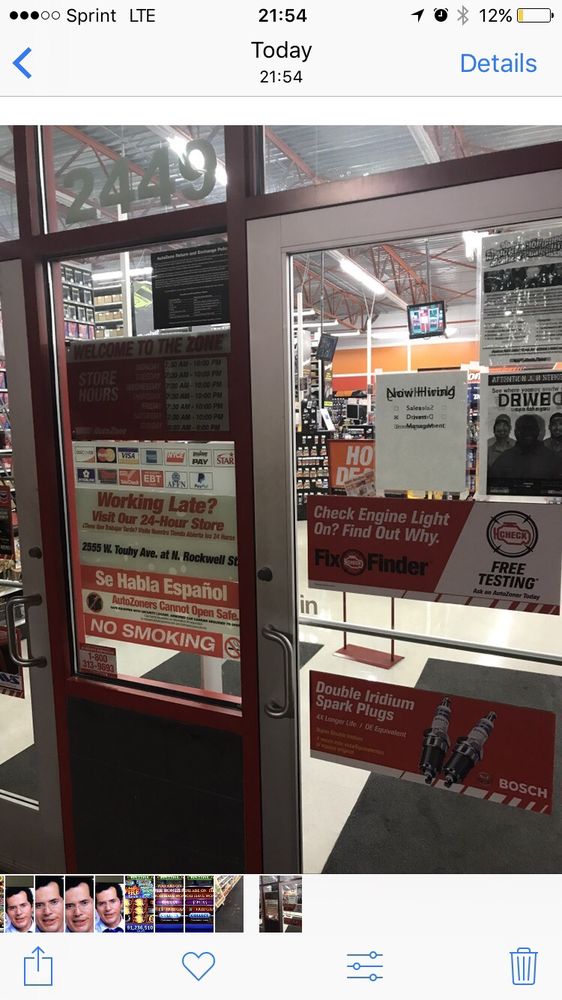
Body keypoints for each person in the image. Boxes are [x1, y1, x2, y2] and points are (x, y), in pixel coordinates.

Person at [489, 413, 562, 485]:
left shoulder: (554, 459)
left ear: (538, 431)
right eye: (523, 429)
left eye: (530, 429)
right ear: (515, 433)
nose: (527, 433)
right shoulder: (503, 460)